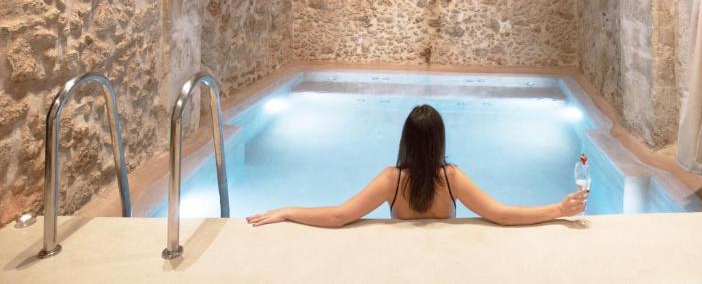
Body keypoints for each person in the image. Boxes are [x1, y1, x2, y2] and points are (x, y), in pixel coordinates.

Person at [246, 103, 587, 228]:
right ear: (440, 140)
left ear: (406, 139)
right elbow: (501, 214)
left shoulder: (391, 180)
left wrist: (288, 210)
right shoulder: (451, 178)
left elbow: (338, 216)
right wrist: (557, 208)